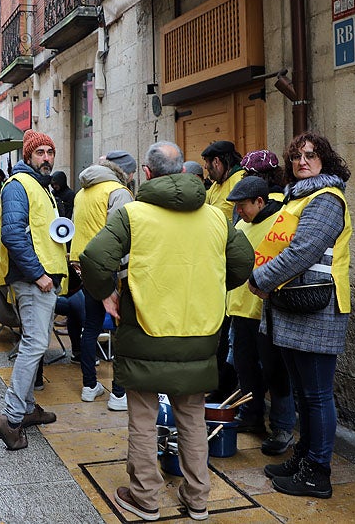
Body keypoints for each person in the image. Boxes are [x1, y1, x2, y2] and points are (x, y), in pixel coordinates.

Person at [80, 141, 253, 522]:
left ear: (147, 173)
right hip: (199, 333)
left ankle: (145, 497)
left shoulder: (132, 215)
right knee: (192, 417)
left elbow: (93, 258)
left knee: (142, 417)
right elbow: (242, 262)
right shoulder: (216, 217)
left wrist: (107, 294)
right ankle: (198, 499)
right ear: (183, 172)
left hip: (144, 330)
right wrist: (211, 289)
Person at [248, 132, 352, 499]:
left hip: (317, 309)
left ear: (325, 160)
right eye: (295, 157)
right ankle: (303, 457)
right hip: (293, 307)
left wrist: (259, 278)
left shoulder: (326, 199)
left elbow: (302, 252)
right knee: (305, 394)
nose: (302, 162)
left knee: (318, 395)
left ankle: (317, 471)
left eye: (310, 155)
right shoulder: (298, 197)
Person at [0, 129, 66, 451]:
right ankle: (10, 418)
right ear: (28, 156)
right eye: (40, 153)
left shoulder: (39, 186)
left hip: (43, 278)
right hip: (34, 280)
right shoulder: (19, 186)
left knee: (35, 342)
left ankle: (29, 408)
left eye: (50, 152)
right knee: (35, 345)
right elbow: (12, 235)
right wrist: (39, 275)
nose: (46, 158)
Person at [224, 175, 296, 456]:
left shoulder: (280, 222)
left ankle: (282, 427)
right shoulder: (241, 224)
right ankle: (251, 416)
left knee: (275, 372)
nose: (238, 212)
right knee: (246, 368)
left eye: (243, 205)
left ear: (260, 201)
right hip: (240, 309)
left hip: (268, 312)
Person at [71, 150, 138, 412]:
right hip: (111, 268)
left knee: (91, 325)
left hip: (84, 265)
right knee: (121, 330)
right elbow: (119, 236)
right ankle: (119, 394)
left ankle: (90, 386)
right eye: (132, 173)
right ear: (125, 172)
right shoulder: (118, 191)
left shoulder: (82, 192)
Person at [201, 140, 245, 405]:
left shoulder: (239, 180)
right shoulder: (216, 186)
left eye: (208, 165)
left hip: (231, 268)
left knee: (230, 335)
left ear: (218, 162)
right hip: (213, 265)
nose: (207, 171)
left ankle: (226, 389)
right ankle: (218, 386)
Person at [201, 140, 245, 220]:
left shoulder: (241, 180)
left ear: (216, 161)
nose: (205, 166)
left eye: (207, 162)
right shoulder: (216, 184)